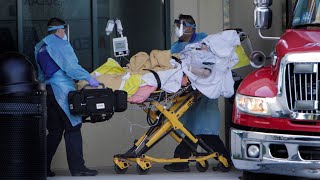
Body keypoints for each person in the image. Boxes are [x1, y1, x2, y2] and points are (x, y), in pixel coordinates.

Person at [163, 14, 232, 172]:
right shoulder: (176, 47)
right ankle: (183, 161)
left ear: (189, 27)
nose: (177, 30)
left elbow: (212, 61)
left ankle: (183, 161)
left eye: (180, 26)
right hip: (187, 93)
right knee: (194, 129)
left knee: (204, 130)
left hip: (204, 92)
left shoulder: (205, 41)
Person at [34, 17, 100, 177]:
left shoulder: (40, 46)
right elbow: (71, 67)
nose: (65, 33)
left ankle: (41, 168)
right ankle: (78, 168)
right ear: (60, 30)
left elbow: (41, 73)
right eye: (64, 30)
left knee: (55, 130)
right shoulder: (60, 43)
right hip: (61, 90)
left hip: (48, 90)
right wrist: (88, 78)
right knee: (73, 128)